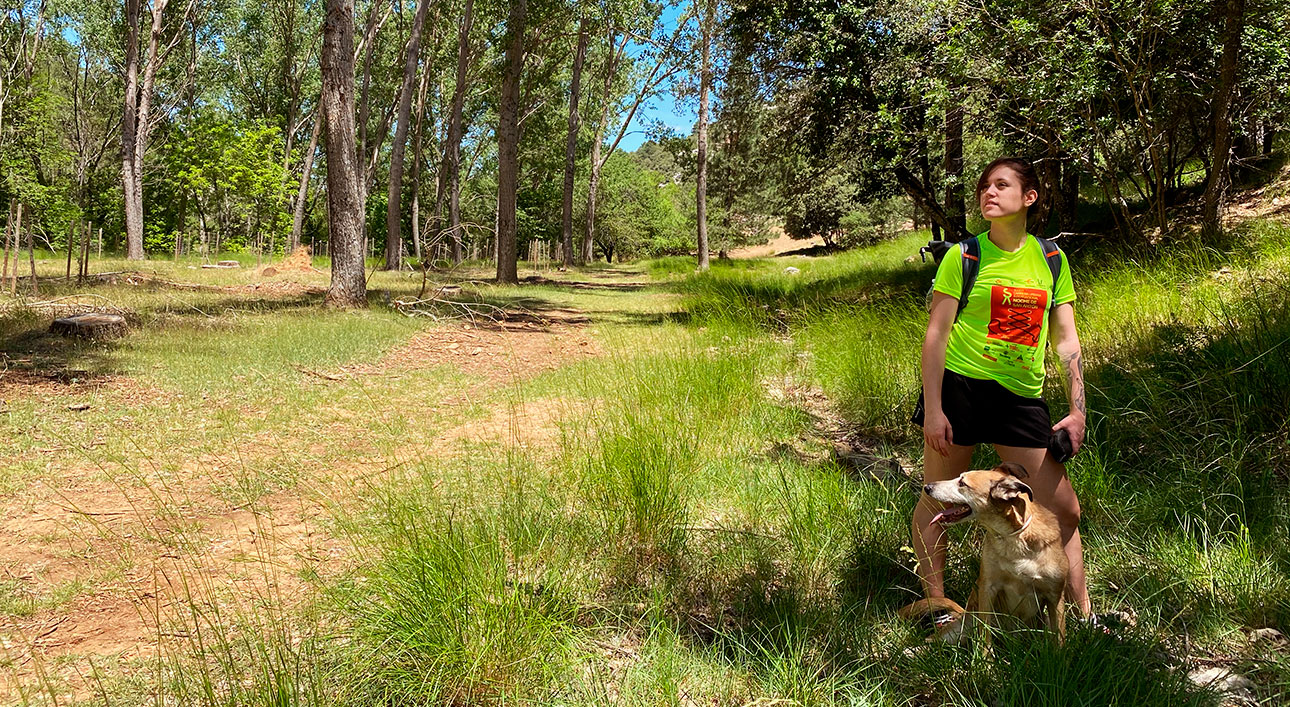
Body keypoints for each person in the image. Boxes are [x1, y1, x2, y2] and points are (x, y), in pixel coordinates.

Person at [910, 157, 1091, 619]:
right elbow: (936, 333)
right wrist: (934, 409)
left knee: (1065, 510)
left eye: (1001, 185)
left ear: (1029, 197)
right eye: (984, 186)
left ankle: (1084, 617)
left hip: (1020, 399)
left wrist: (1077, 410)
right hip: (961, 392)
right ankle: (938, 607)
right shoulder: (964, 255)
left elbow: (1066, 339)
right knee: (939, 500)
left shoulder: (1051, 259)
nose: (989, 192)